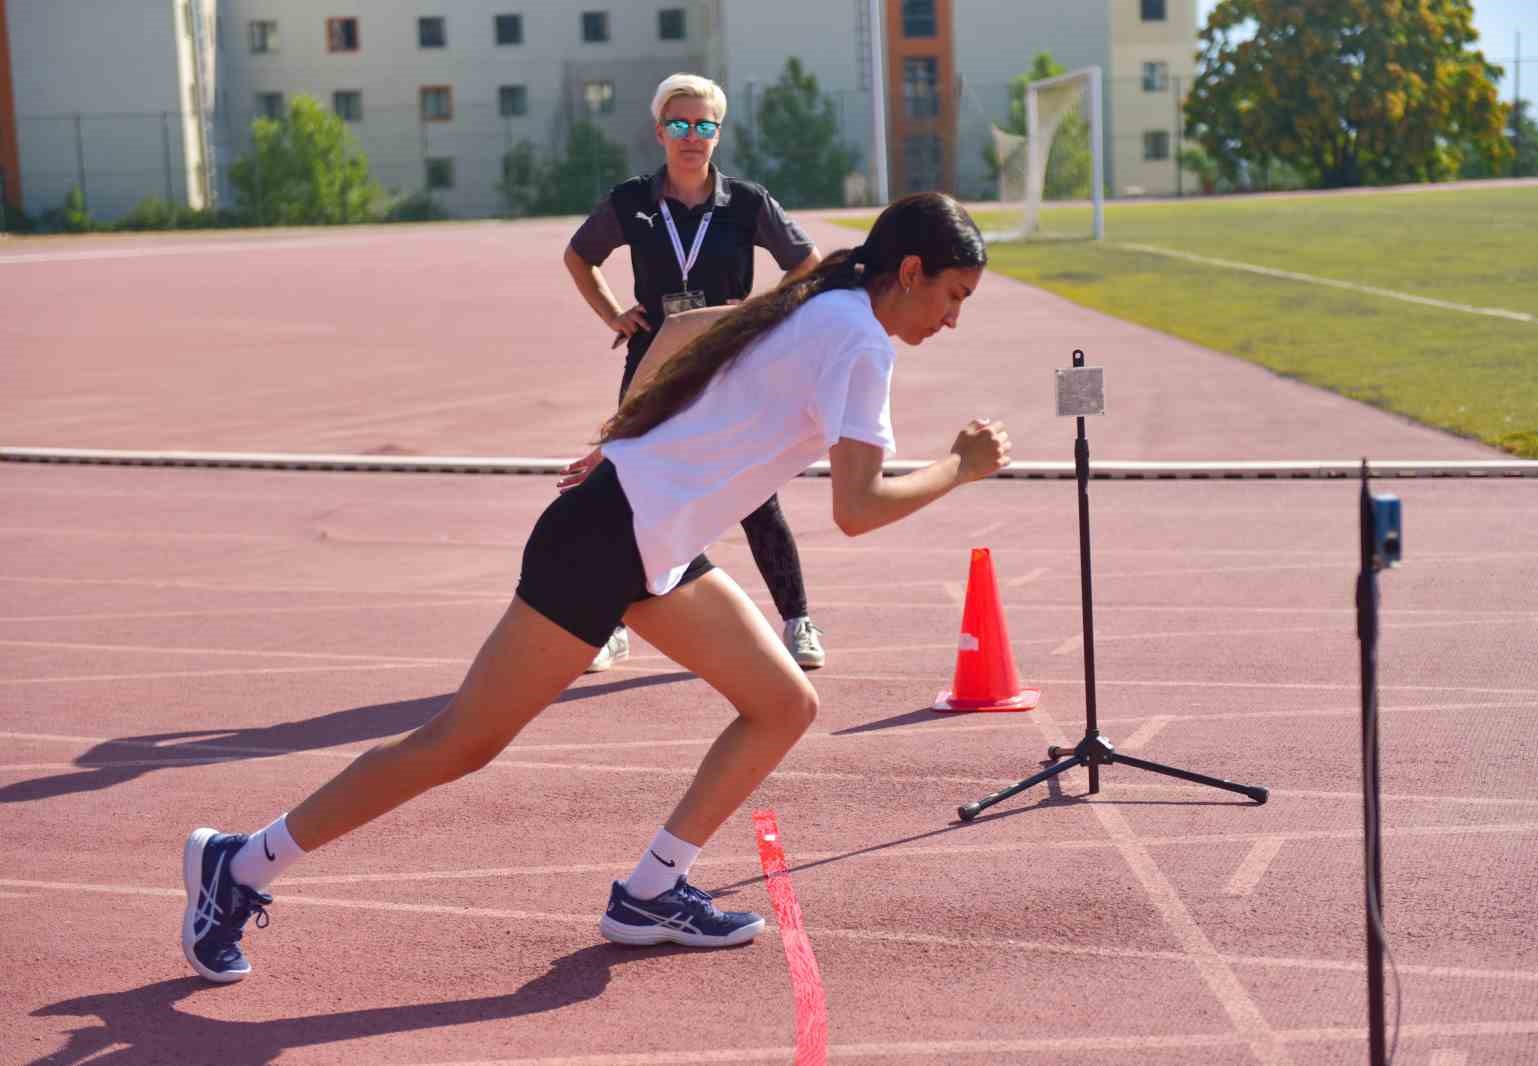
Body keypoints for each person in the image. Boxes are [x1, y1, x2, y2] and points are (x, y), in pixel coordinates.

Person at [181, 191, 1008, 984]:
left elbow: (679, 330)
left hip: (651, 539)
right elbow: (858, 509)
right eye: (953, 296)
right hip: (606, 541)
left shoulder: (820, 301)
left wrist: (621, 442)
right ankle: (240, 862)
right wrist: (959, 469)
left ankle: (651, 890)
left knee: (783, 703)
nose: (953, 319)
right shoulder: (860, 342)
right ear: (908, 272)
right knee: (459, 744)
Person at [563, 73, 828, 674]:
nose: (691, 136)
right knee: (632, 489)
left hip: (729, 363)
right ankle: (610, 627)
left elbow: (807, 264)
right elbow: (579, 256)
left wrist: (760, 317)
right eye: (679, 125)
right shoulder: (631, 201)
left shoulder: (748, 203)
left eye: (704, 126)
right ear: (660, 132)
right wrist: (612, 311)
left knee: (755, 494)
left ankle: (798, 620)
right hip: (654, 363)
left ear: (717, 133)